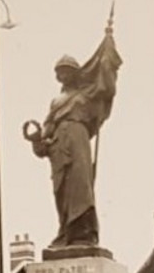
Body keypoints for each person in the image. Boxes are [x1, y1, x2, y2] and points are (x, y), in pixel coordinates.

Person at [24, 17, 123, 252]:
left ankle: (84, 234)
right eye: (60, 72)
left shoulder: (85, 95)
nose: (64, 75)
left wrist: (107, 51)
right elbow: (44, 139)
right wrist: (37, 140)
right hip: (58, 149)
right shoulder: (55, 102)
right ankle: (65, 233)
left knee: (81, 189)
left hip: (78, 141)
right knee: (61, 192)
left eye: (68, 71)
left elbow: (106, 87)